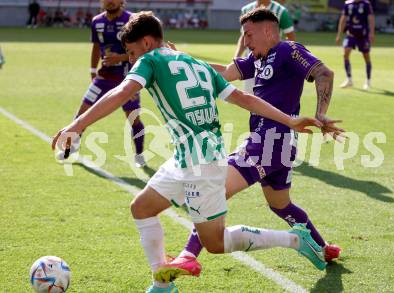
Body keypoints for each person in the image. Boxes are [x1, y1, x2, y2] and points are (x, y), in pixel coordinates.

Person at [52, 11, 340, 293]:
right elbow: (239, 92)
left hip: (227, 154)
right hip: (191, 156)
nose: (130, 59)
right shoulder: (215, 63)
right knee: (143, 207)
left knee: (215, 236)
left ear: (148, 44)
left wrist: (77, 125)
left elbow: (121, 92)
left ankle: (289, 240)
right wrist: (289, 119)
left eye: (131, 52)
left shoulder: (151, 60)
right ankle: (162, 284)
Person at [155, 8, 343, 282]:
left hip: (269, 141)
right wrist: (181, 60)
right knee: (281, 204)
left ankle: (188, 255)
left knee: (214, 190)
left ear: (268, 31)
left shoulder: (289, 50)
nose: (246, 41)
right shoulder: (257, 60)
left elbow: (324, 72)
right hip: (276, 146)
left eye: (249, 34)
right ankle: (324, 249)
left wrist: (321, 112)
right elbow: (224, 72)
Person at [59, 0, 146, 167]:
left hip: (128, 78)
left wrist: (119, 58)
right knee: (82, 113)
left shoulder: (132, 21)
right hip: (104, 77)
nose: (110, 1)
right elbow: (96, 46)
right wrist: (92, 70)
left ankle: (139, 154)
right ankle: (71, 148)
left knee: (133, 118)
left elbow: (141, 50)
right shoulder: (97, 21)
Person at [236, 0, 296, 94]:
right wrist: (237, 56)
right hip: (251, 61)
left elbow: (291, 37)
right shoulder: (246, 9)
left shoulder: (280, 11)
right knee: (250, 98)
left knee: (270, 98)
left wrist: (283, 56)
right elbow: (244, 36)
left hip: (272, 62)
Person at [336, 0, 375, 90]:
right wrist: (339, 34)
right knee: (345, 54)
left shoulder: (366, 4)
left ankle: (368, 81)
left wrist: (372, 33)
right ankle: (349, 79)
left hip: (363, 36)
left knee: (366, 57)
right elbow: (343, 19)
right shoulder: (348, 4)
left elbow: (371, 18)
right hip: (351, 35)